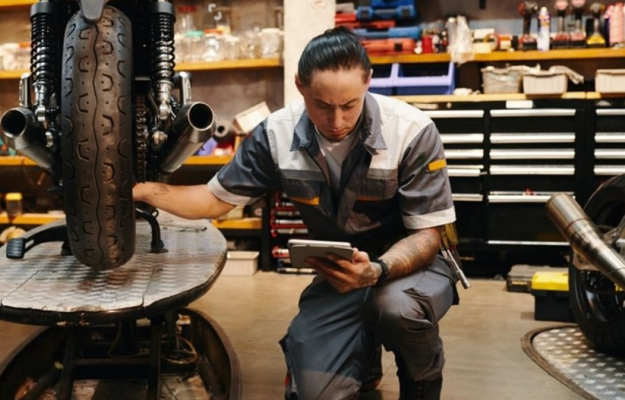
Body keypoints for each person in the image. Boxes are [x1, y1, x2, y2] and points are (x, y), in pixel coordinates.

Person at [134, 26, 458, 400]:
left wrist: (377, 271)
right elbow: (213, 201)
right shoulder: (275, 135)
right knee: (316, 394)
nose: (336, 122)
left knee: (394, 308)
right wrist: (143, 191)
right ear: (300, 85)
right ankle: (362, 356)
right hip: (343, 270)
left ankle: (422, 380)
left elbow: (428, 235)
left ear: (369, 82)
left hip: (412, 267)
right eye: (322, 105)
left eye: (349, 105)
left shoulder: (412, 131)